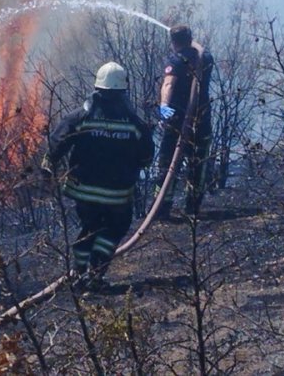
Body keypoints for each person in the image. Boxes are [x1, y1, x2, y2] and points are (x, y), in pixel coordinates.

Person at [42, 62, 155, 291]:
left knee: (89, 227)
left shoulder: (82, 116)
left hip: (82, 189)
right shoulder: (133, 122)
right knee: (115, 228)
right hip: (117, 194)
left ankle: (78, 273)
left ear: (97, 88)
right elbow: (147, 154)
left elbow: (58, 140)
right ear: (123, 91)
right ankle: (96, 272)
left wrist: (48, 164)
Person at [155, 25, 215, 218]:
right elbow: (199, 47)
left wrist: (164, 106)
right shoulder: (205, 58)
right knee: (198, 162)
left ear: (173, 43)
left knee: (168, 161)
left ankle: (162, 206)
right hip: (202, 118)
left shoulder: (176, 60)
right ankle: (193, 206)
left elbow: (168, 84)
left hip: (177, 119)